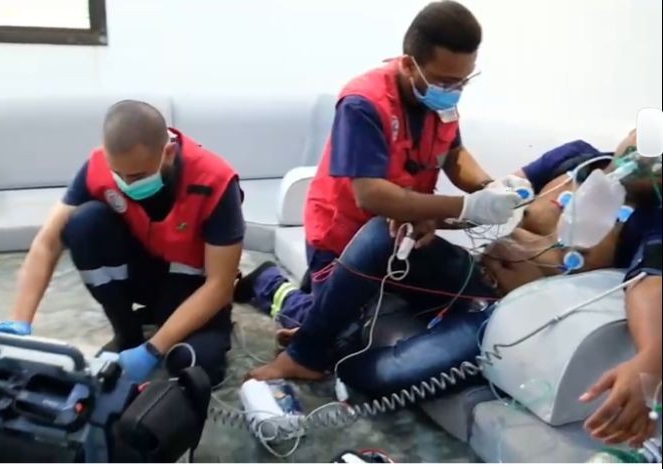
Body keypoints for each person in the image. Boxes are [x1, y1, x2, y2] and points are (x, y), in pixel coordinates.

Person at [250, 130, 662, 447]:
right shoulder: (576, 158)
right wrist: (432, 219)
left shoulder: (653, 219)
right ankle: (306, 351)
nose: (645, 154)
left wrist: (647, 363)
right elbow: (492, 202)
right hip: (471, 273)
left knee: (384, 375)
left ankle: (295, 308)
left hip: (504, 319)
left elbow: (649, 285)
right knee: (382, 234)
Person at [236, 0, 519, 348]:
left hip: (407, 233)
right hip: (343, 239)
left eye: (463, 81)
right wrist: (467, 207)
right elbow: (369, 194)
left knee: (455, 301)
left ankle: (325, 294)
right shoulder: (363, 103)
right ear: (409, 64)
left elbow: (454, 154)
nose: (454, 91)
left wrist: (489, 188)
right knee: (341, 338)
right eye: (446, 82)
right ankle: (270, 285)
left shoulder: (439, 100)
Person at [0, 100, 245, 385]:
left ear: (168, 154)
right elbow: (47, 243)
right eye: (117, 174)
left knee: (195, 367)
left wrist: (152, 350)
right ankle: (127, 332)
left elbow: (219, 285)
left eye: (136, 176)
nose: (126, 184)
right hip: (143, 273)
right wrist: (19, 322)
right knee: (84, 223)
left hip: (192, 287)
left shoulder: (214, 180)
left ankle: (167, 332)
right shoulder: (98, 165)